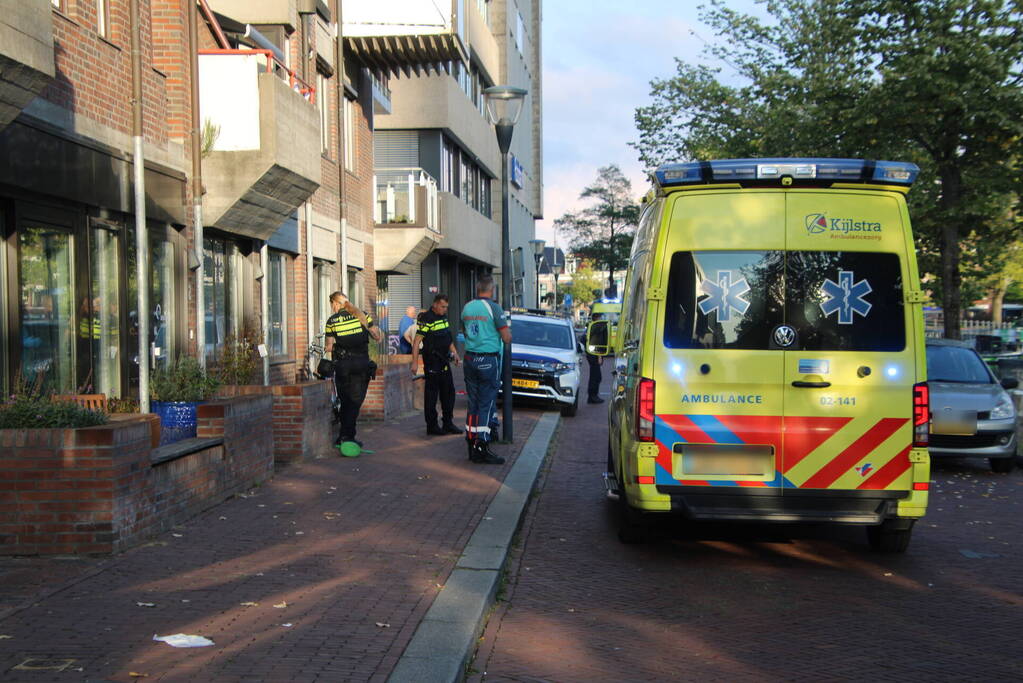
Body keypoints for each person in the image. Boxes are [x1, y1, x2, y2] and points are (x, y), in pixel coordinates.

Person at [460, 276, 511, 465]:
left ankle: (471, 442)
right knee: (486, 403)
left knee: (473, 403)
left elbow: (465, 331)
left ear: (477, 289)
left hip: (469, 358)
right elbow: (506, 337)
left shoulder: (467, 307)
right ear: (492, 290)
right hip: (488, 359)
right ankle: (482, 445)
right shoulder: (494, 308)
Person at [324, 290, 382, 449]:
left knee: (345, 401)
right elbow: (377, 337)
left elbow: (328, 347)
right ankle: (348, 436)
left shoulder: (332, 321)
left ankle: (344, 435)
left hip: (343, 365)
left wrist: (338, 346)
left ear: (335, 304)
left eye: (332, 305)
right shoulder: (363, 315)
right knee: (355, 401)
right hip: (361, 364)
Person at [410, 294, 462, 436]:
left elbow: (448, 339)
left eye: (446, 307)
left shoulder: (443, 318)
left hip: (444, 361)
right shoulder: (427, 319)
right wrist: (414, 363)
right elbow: (416, 342)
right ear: (435, 305)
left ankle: (448, 423)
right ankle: (432, 426)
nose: (445, 309)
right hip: (432, 362)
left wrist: (455, 353)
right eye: (443, 306)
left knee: (449, 393)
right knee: (432, 395)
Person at [584, 312, 604, 404]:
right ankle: (592, 396)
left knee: (595, 376)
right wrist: (599, 356)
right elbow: (597, 342)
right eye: (600, 317)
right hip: (594, 354)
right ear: (597, 318)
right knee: (596, 376)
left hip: (591, 354)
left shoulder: (592, 327)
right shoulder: (596, 328)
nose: (601, 319)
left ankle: (592, 396)